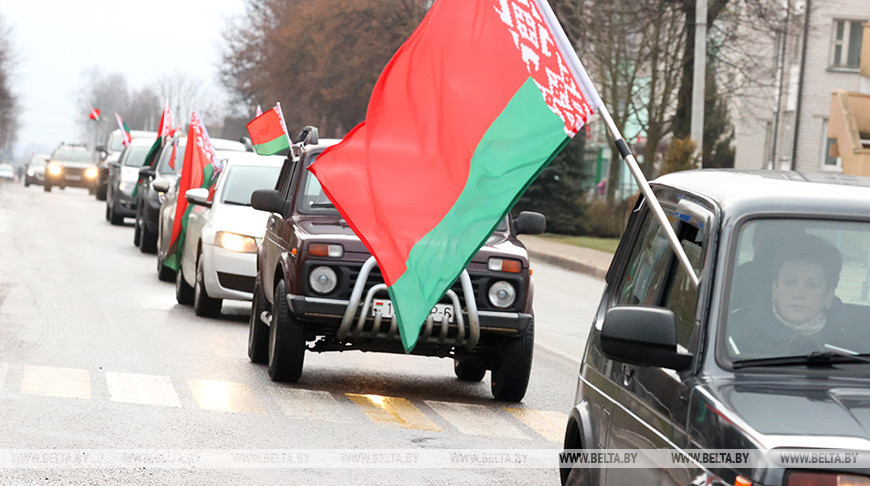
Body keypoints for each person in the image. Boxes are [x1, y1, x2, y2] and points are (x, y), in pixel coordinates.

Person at [727, 234, 849, 358]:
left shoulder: (848, 349)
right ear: (775, 288)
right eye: (789, 282)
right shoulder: (733, 340)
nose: (798, 294)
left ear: (828, 295)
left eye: (811, 285)